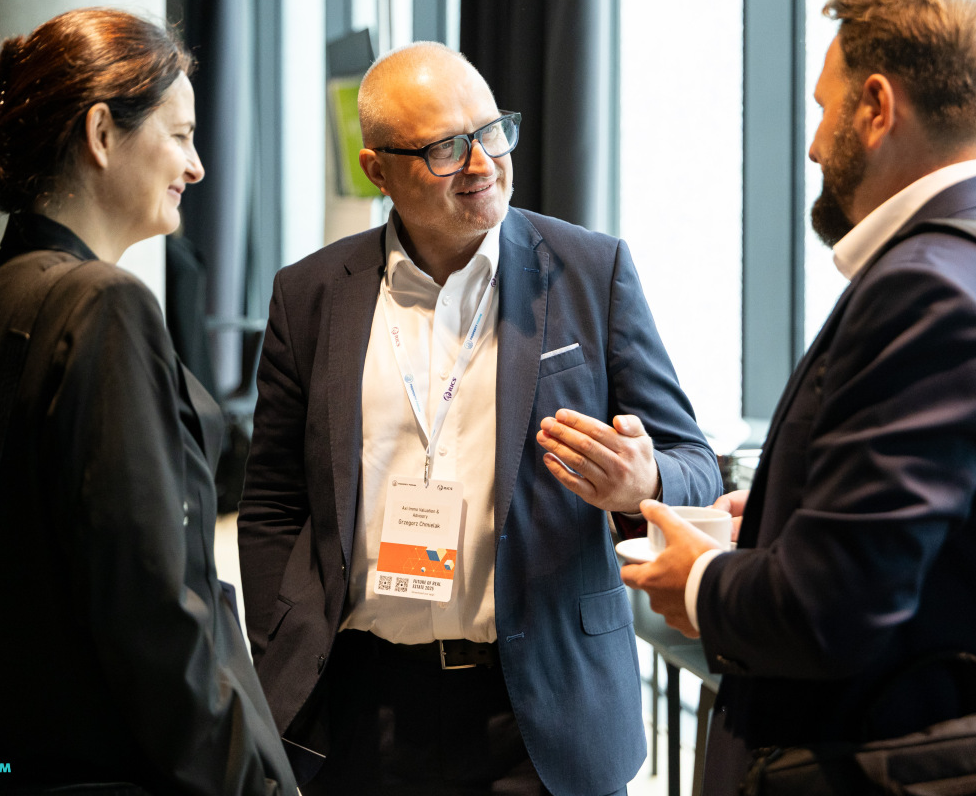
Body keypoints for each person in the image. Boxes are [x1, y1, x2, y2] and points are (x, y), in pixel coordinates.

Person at [543, 0, 976, 793]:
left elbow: (832, 605)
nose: (811, 144)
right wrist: (783, 523)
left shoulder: (929, 291)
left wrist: (700, 582)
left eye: (823, 107)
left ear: (876, 107)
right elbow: (956, 542)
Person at [236, 41, 722, 796]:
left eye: (493, 131)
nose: (482, 163)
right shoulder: (311, 295)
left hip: (543, 710)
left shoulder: (590, 271)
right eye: (445, 148)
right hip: (362, 707)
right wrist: (282, 636)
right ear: (378, 170)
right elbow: (272, 500)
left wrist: (644, 480)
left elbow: (695, 464)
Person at [0, 9, 297, 796]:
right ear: (101, 133)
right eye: (180, 135)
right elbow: (153, 617)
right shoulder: (105, 304)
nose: (197, 166)